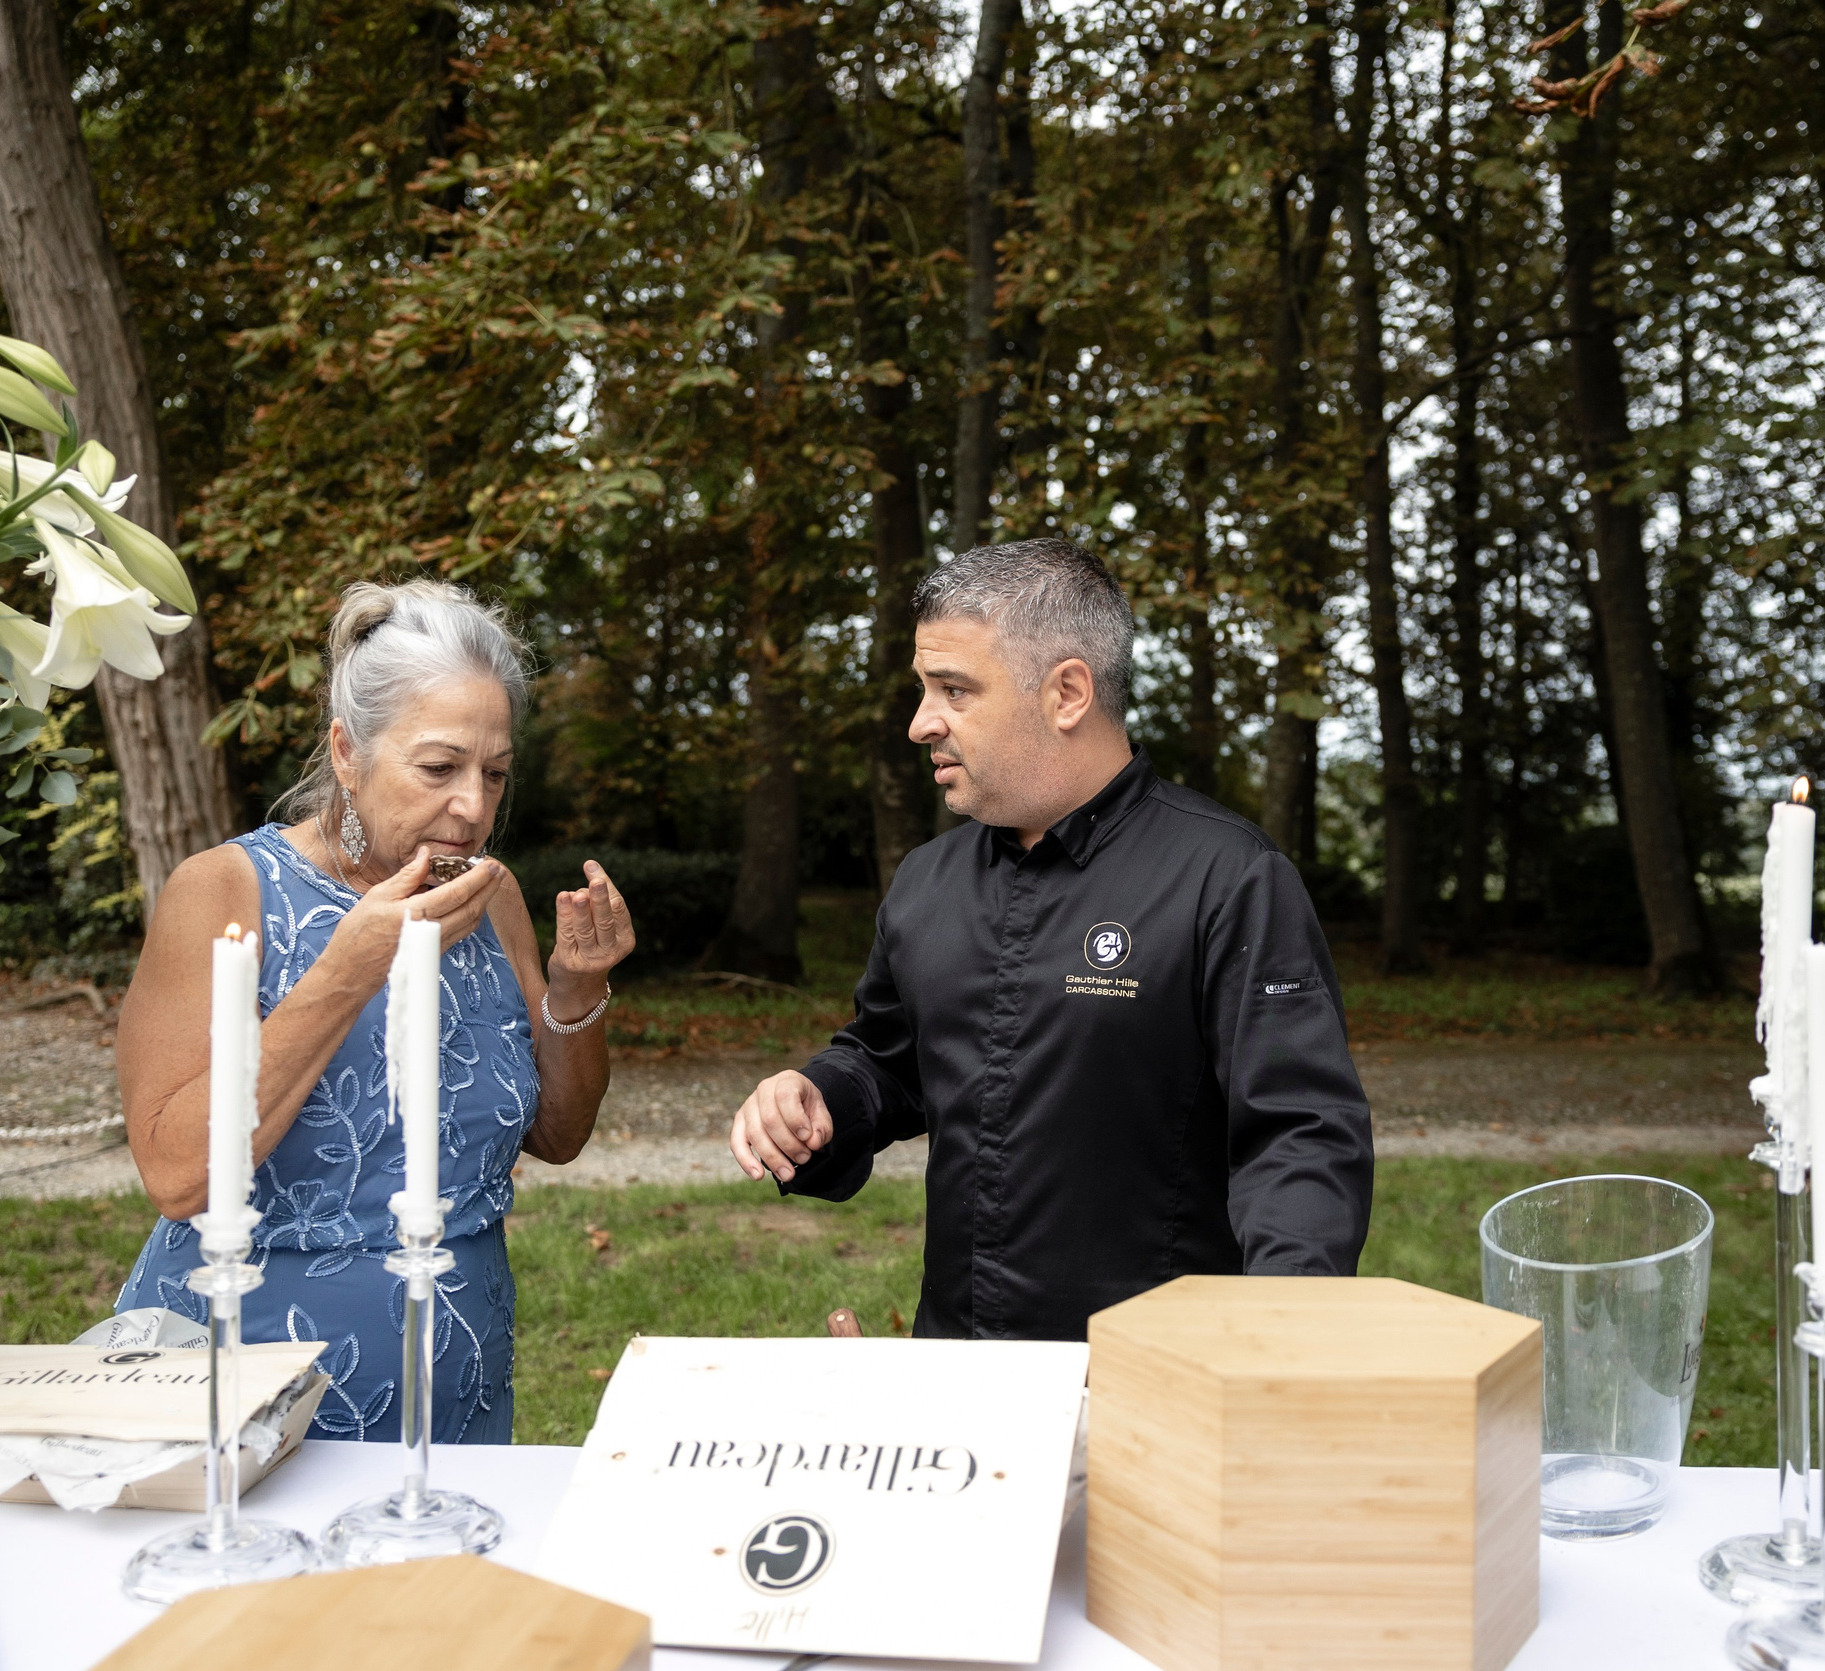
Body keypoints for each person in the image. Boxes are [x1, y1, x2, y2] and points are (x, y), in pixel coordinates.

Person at [728, 540, 1372, 1340]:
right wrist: (819, 1095)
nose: (920, 721)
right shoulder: (929, 881)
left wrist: (1284, 1332)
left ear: (1067, 692)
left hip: (1152, 1384)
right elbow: (888, 1060)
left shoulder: (1228, 878)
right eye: (924, 688)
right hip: (961, 1374)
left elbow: (1300, 1135)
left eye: (954, 690)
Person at [114, 581, 635, 1442]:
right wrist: (350, 965)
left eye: (495, 773)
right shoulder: (226, 891)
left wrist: (575, 993)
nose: (474, 806)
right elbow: (177, 1174)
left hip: (456, 1393)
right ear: (348, 752)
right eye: (439, 768)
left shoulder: (488, 896)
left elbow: (557, 1132)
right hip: (244, 1400)